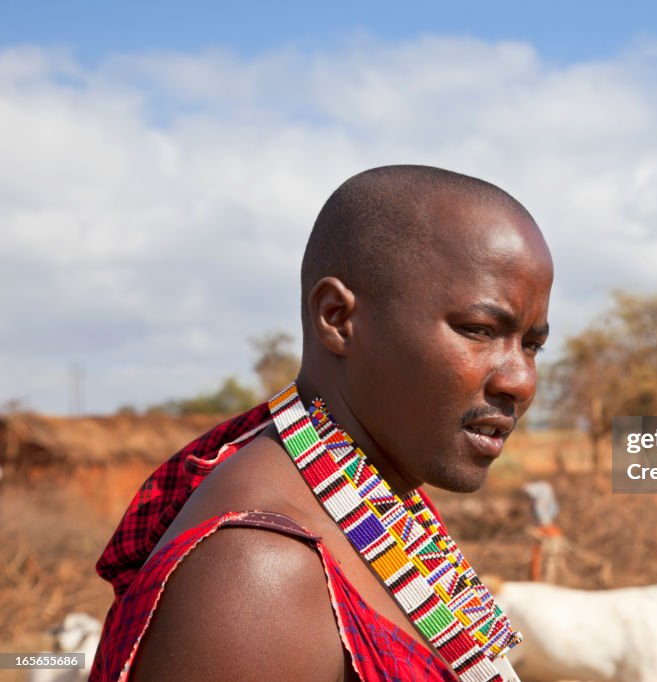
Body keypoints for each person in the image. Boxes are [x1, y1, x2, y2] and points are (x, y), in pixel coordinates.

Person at [89, 165, 553, 682]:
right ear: (337, 318)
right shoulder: (258, 573)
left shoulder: (374, 497)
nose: (521, 381)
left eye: (532, 345)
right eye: (479, 329)